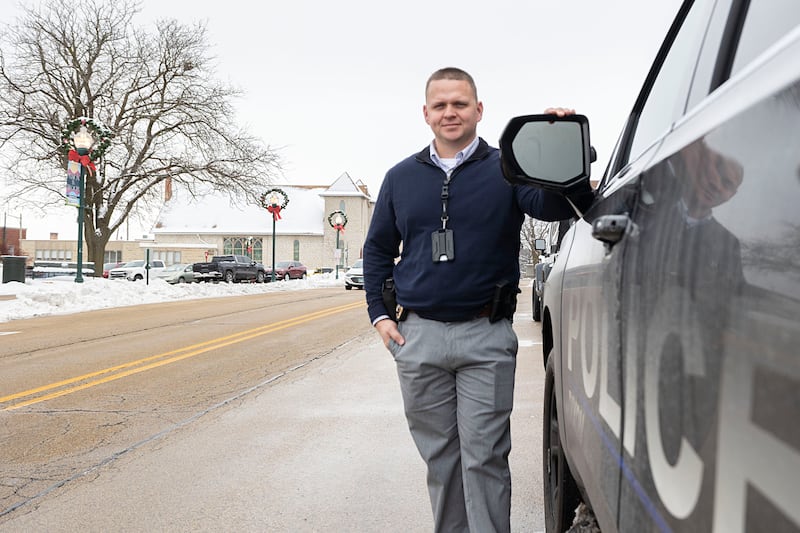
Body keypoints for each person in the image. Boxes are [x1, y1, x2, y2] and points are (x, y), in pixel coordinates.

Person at [362, 67, 594, 532]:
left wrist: (567, 148)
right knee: (441, 461)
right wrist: (380, 317)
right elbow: (378, 249)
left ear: (479, 109)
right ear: (426, 113)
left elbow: (555, 206)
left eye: (460, 103)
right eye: (440, 105)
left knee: (484, 458)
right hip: (419, 338)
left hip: (485, 336)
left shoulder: (508, 170)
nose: (450, 112)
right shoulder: (400, 177)